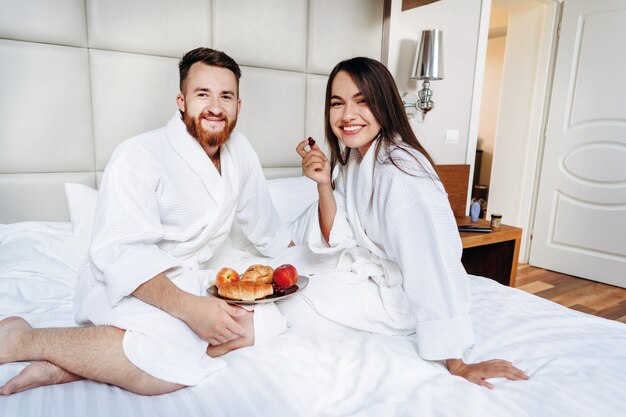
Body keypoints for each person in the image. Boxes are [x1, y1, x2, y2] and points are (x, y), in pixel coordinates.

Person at [0, 48, 291, 396]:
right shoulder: (138, 155)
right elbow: (121, 255)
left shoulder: (240, 150)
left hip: (186, 279)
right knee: (167, 365)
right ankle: (21, 340)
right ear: (182, 101)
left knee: (263, 322)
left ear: (238, 106)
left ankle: (66, 366)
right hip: (126, 283)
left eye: (226, 96)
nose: (215, 106)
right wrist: (191, 311)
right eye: (203, 94)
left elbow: (265, 224)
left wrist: (302, 264)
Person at [287, 57, 528, 389]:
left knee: (295, 298)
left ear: (385, 105)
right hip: (376, 280)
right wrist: (324, 184)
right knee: (291, 274)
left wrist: (456, 363)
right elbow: (337, 234)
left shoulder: (401, 172)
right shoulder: (355, 158)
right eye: (337, 103)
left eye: (363, 101)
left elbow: (430, 263)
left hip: (402, 299)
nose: (347, 116)